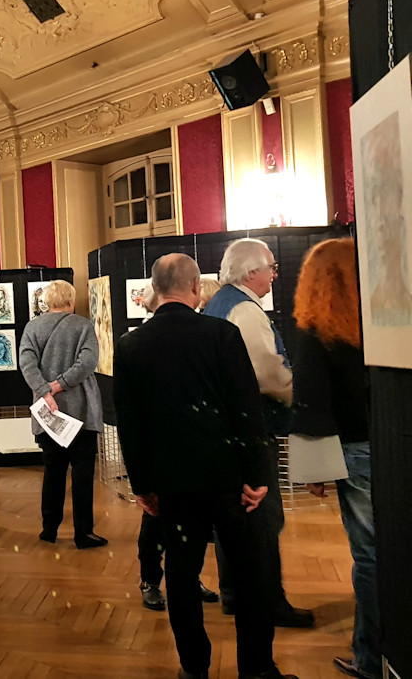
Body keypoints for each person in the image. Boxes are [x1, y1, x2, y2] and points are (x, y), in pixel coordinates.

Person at [114, 253, 296, 679]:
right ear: (196, 286)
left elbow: (131, 424)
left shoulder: (131, 346)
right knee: (251, 576)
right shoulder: (221, 334)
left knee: (181, 577)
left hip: (172, 486)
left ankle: (194, 667)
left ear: (157, 289)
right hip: (231, 481)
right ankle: (256, 669)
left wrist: (143, 486)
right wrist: (256, 475)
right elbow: (245, 407)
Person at [203, 238, 314, 628]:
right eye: (270, 267)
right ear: (252, 272)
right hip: (252, 430)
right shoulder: (246, 311)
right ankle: (268, 602)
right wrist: (297, 396)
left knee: (234, 515)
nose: (274, 274)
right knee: (263, 519)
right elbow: (267, 375)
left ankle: (234, 593)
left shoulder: (218, 304)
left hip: (225, 431)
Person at [290, 239, 378, 679]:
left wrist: (313, 472)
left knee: (368, 556)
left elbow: (311, 405)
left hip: (352, 451)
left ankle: (370, 657)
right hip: (389, 442)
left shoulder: (316, 332)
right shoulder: (381, 324)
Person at [133, 287, 220, 611]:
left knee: (193, 527)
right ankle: (150, 581)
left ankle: (188, 578)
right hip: (161, 449)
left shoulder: (207, 338)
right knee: (154, 522)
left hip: (196, 449)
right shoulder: (150, 341)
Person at [17, 279, 107, 549]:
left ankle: (49, 528)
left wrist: (45, 391)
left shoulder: (32, 327)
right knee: (82, 474)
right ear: (71, 300)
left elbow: (26, 363)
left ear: (47, 301)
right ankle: (83, 533)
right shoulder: (83, 326)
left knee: (52, 471)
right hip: (81, 411)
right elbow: (88, 362)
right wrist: (60, 385)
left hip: (47, 413)